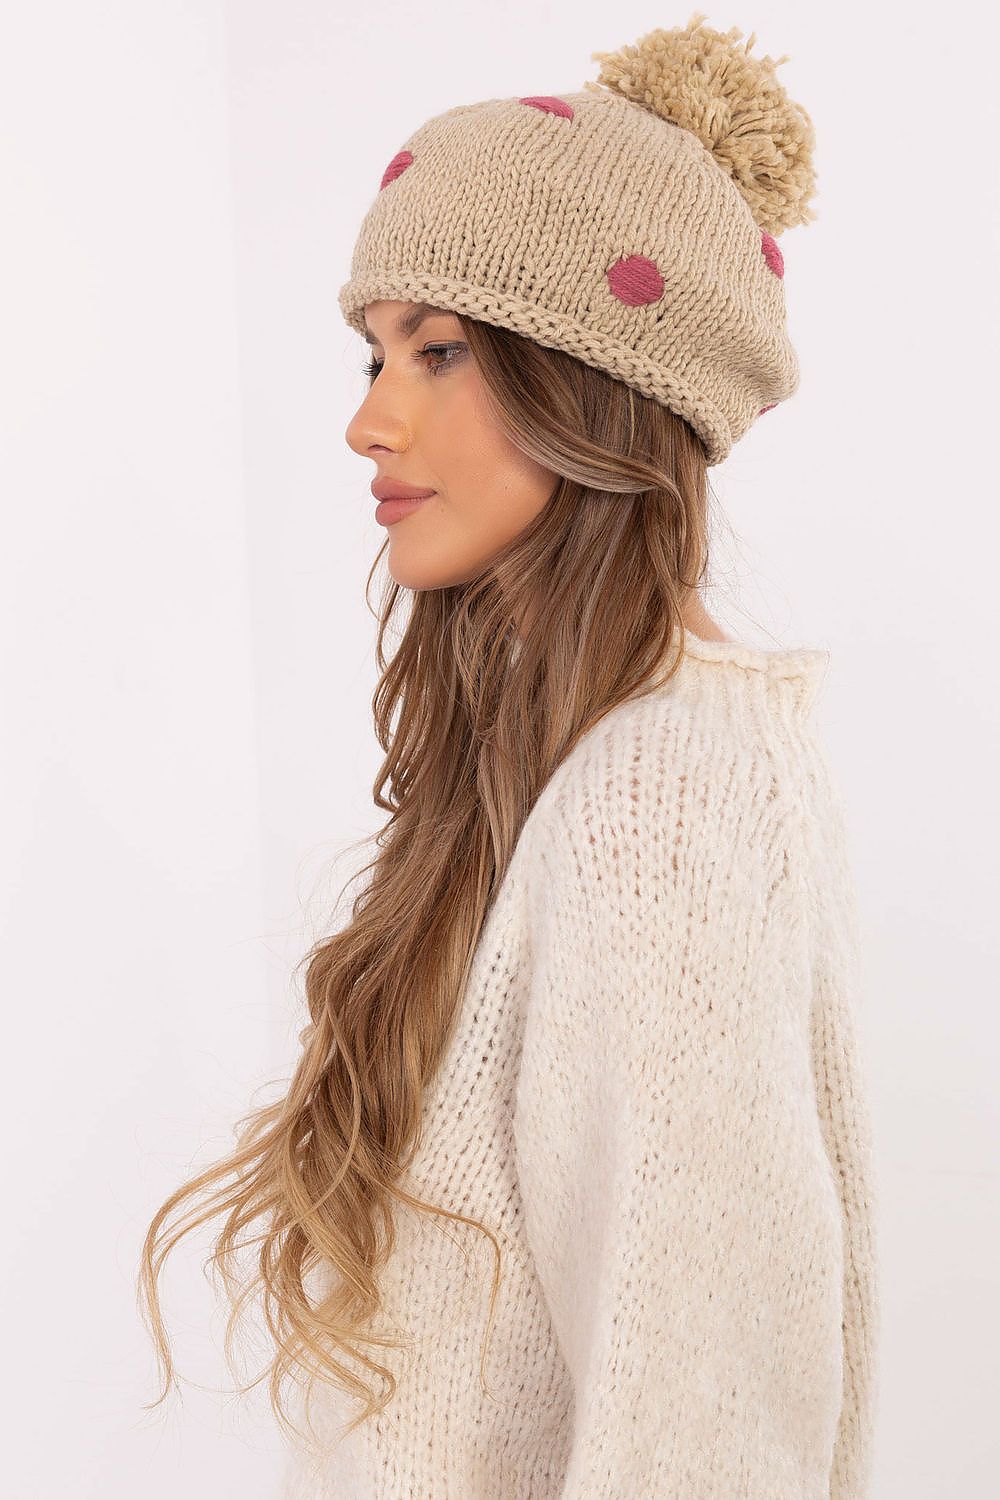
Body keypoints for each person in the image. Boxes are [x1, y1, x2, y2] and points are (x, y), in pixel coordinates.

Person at [139, 13, 880, 1498]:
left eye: (441, 351)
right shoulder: (601, 765)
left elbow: (704, 1424)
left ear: (596, 385)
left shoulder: (661, 795)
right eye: (373, 353)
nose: (369, 420)